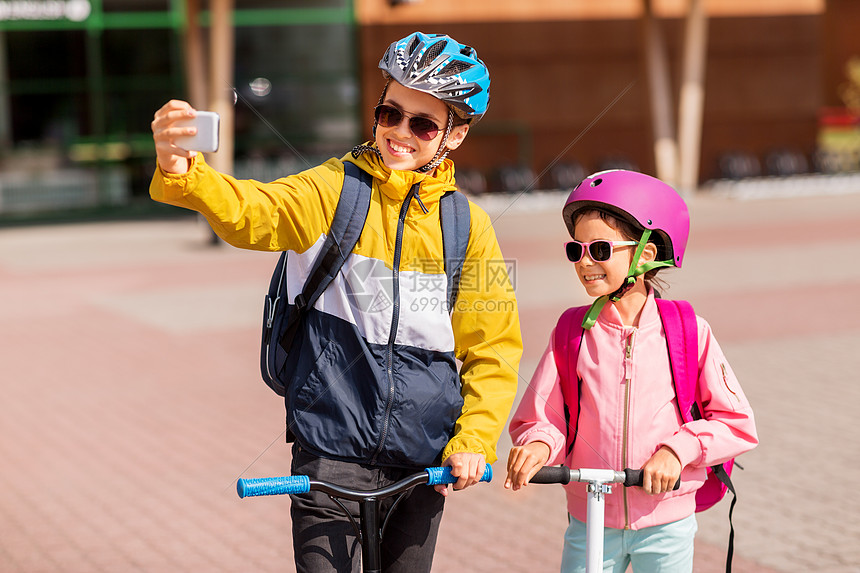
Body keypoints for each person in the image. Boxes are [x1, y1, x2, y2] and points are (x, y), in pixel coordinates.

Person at [150, 32, 522, 573]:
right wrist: (184, 173)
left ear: (455, 136)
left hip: (423, 462)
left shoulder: (468, 227)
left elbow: (493, 349)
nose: (399, 133)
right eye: (390, 112)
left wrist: (475, 441)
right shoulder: (334, 190)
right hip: (328, 453)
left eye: (422, 124)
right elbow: (254, 211)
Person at [504, 170, 757, 573]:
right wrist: (538, 446)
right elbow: (544, 418)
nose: (584, 262)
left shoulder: (690, 331)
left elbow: (736, 422)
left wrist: (679, 451)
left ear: (647, 253)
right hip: (590, 520)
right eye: (576, 250)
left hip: (666, 521)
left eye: (600, 249)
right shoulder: (571, 332)